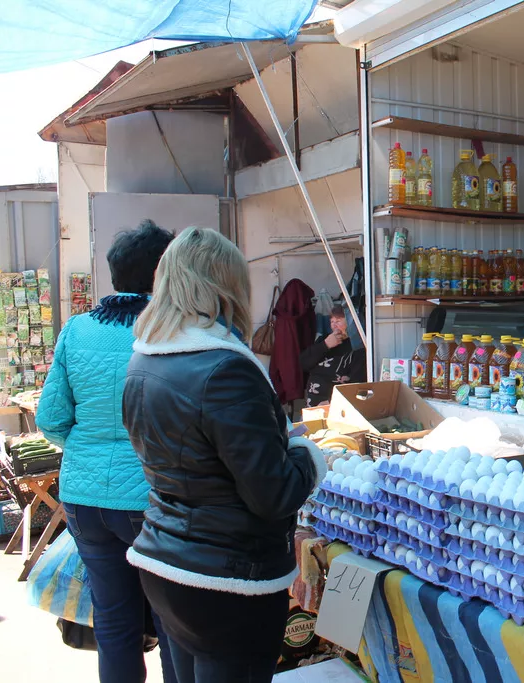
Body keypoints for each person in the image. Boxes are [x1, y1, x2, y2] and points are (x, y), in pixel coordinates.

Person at [121, 227, 327, 683]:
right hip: (228, 580)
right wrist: (307, 453)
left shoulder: (144, 360)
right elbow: (274, 494)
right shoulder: (226, 368)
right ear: (226, 285)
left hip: (168, 563)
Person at [36, 219, 177, 683]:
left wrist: (89, 448)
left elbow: (50, 419)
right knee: (171, 622)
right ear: (164, 273)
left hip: (84, 500)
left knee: (114, 622)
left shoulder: (77, 329)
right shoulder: (173, 328)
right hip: (152, 499)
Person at [299, 304, 367, 407]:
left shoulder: (357, 347)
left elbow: (357, 383)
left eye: (338, 321)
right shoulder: (324, 340)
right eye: (332, 321)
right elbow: (303, 363)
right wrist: (325, 345)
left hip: (337, 405)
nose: (334, 326)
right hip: (313, 403)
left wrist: (331, 401)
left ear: (350, 323)